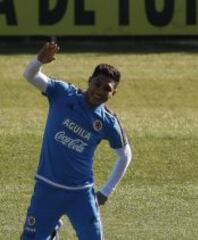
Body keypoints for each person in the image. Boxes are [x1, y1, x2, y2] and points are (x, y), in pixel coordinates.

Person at [21, 42, 132, 240]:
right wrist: (39, 61)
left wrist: (106, 192)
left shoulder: (108, 122)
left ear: (113, 93)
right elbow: (30, 75)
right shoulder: (63, 93)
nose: (99, 91)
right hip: (47, 188)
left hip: (81, 195)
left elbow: (125, 155)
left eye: (107, 88)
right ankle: (51, 229)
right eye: (97, 84)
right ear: (89, 81)